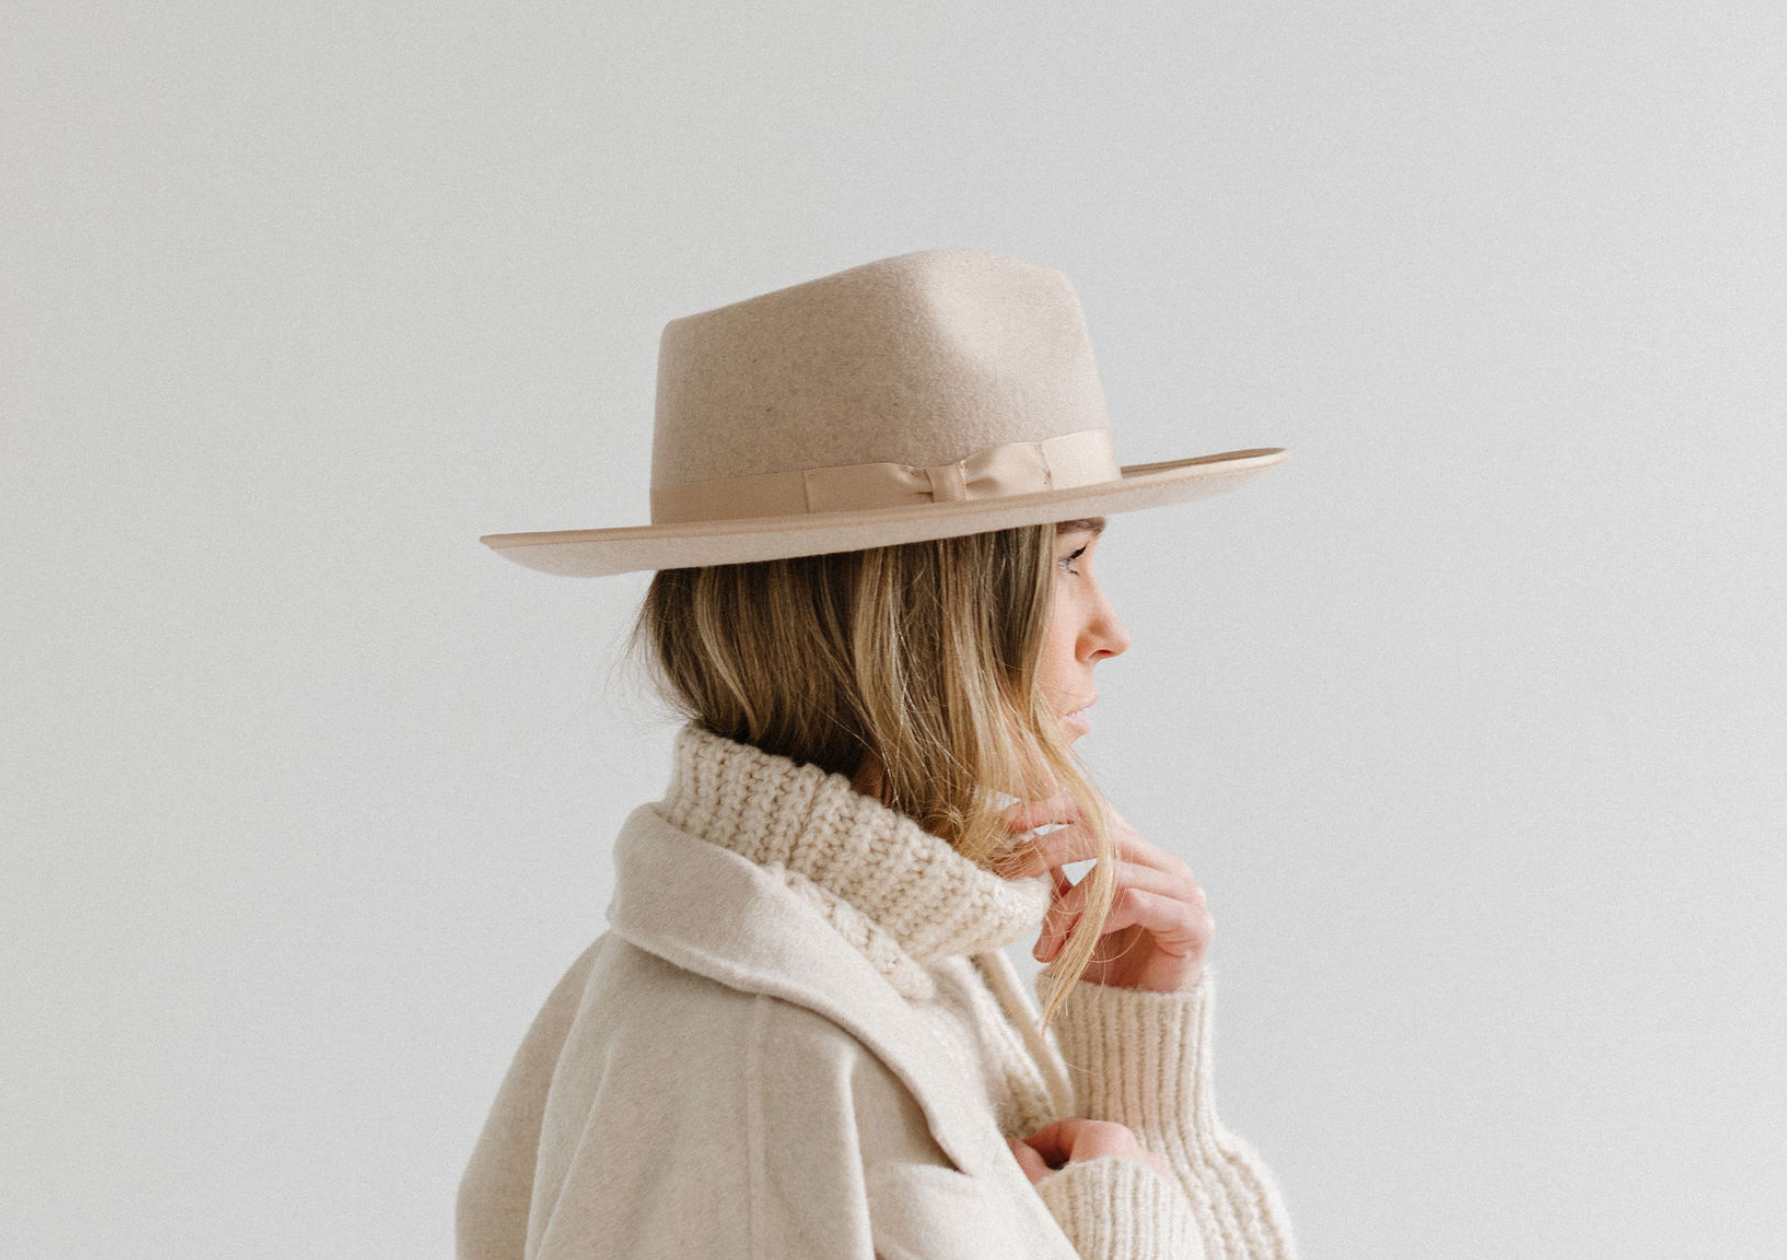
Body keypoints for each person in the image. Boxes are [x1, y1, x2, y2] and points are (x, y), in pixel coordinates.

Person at [456, 249, 1299, 1259]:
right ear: (915, 617)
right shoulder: (765, 1058)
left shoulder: (898, 961)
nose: (1110, 632)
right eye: (1069, 561)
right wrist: (1125, 1218)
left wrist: (1137, 1069)